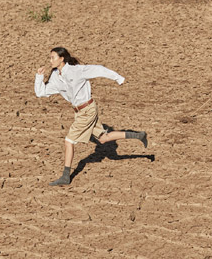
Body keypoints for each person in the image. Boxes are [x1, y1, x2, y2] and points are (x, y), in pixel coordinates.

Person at [34, 47, 148, 186]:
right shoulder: (55, 77)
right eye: (50, 57)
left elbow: (99, 69)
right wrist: (39, 77)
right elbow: (41, 93)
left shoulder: (77, 70)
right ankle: (139, 136)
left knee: (68, 141)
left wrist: (119, 78)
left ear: (62, 59)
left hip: (87, 110)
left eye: (53, 57)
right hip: (79, 112)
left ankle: (65, 176)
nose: (50, 60)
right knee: (103, 138)